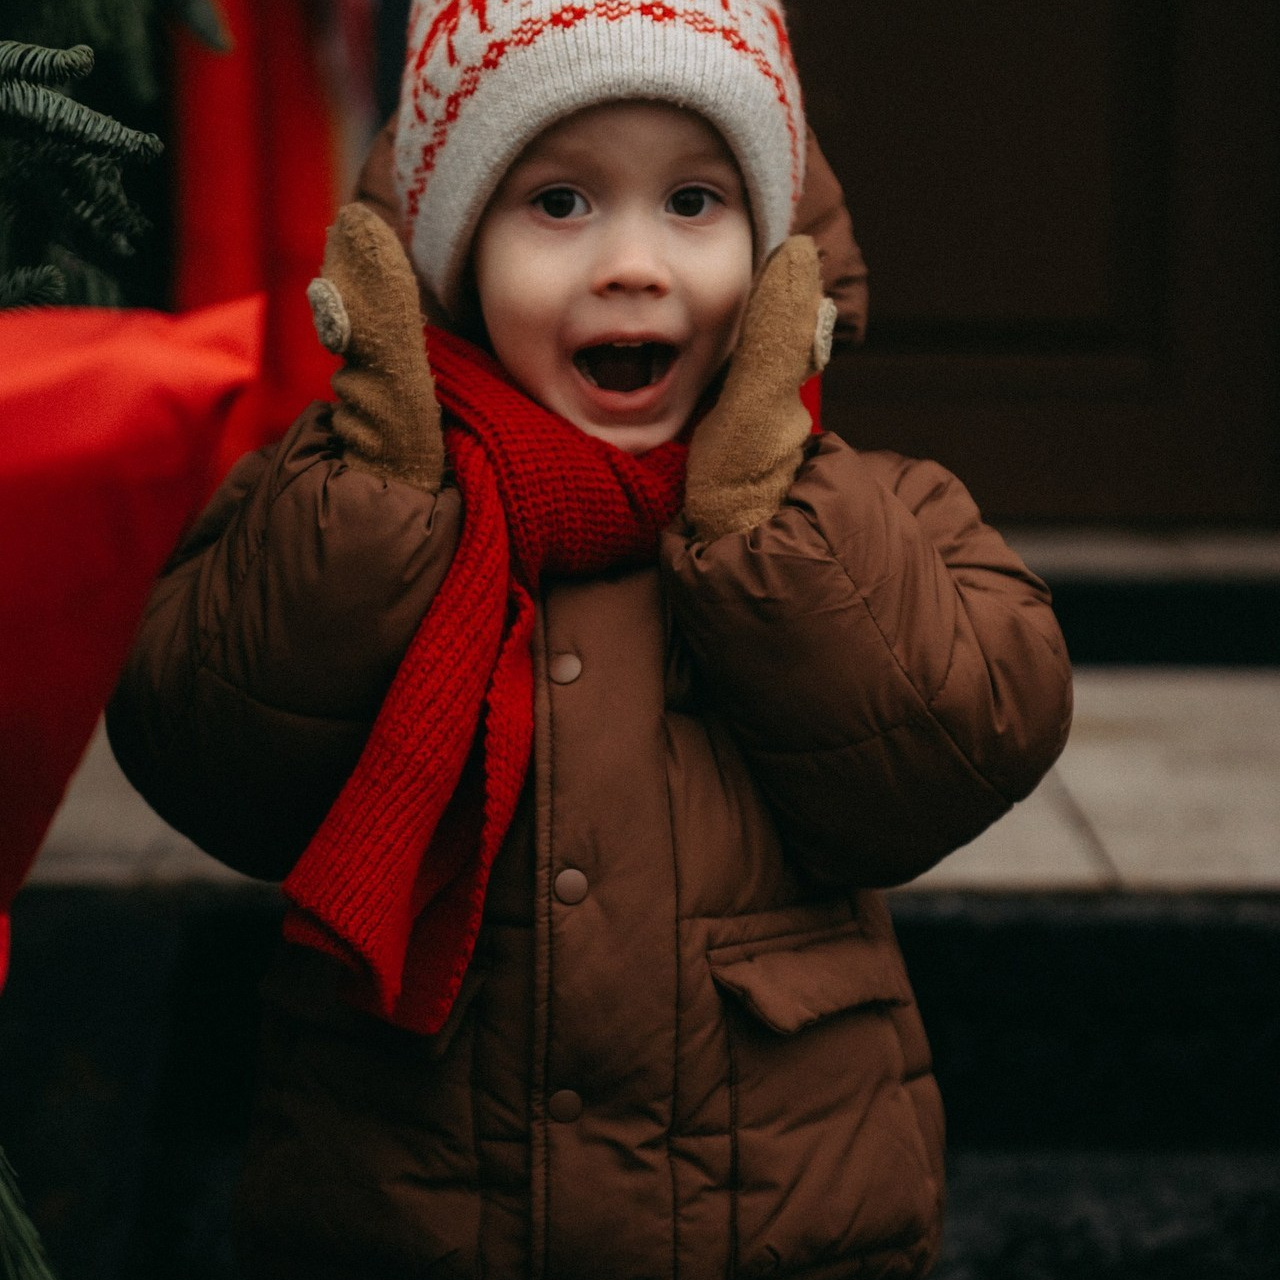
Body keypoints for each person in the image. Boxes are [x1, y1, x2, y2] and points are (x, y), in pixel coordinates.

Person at [106, 2, 1073, 1277]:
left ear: (774, 257)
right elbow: (203, 746)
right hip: (412, 1206)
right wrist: (383, 505)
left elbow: (947, 753)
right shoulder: (353, 493)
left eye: (692, 202)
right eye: (558, 203)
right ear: (449, 260)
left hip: (771, 1215)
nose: (631, 262)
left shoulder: (857, 508)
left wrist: (758, 521)